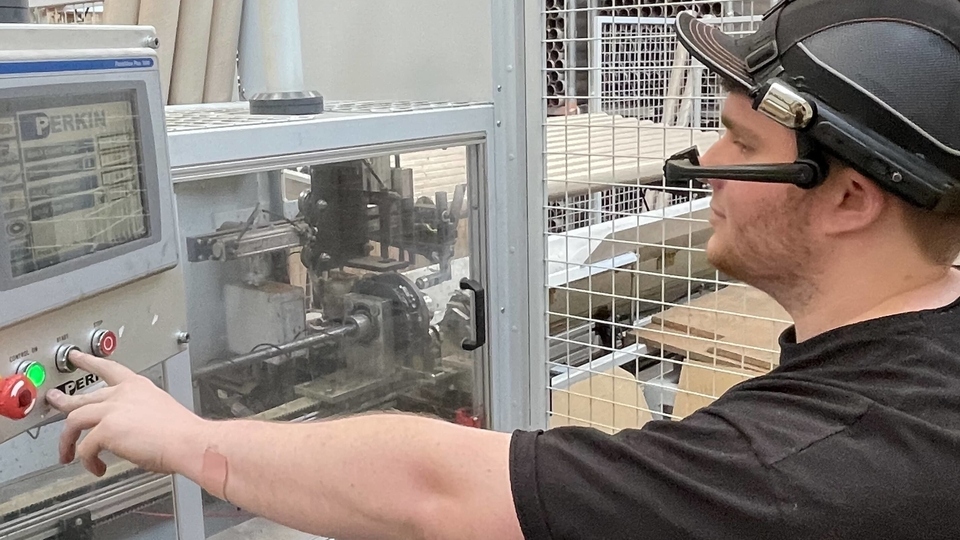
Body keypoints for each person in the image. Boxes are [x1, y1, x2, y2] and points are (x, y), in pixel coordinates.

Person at [46, 0, 960, 538]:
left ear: (851, 199)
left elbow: (433, 486)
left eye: (740, 138)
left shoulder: (810, 471)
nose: (705, 156)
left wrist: (176, 436)